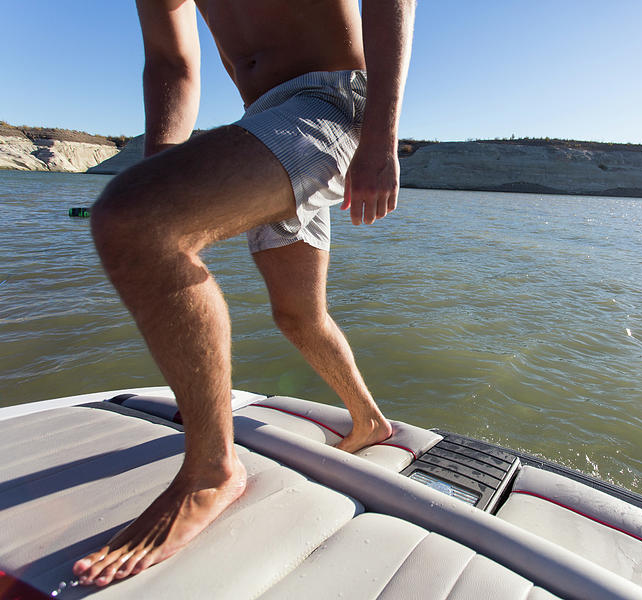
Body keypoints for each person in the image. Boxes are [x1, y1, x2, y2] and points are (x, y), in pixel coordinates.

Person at [72, 0, 415, 587]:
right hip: (264, 121)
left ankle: (211, 470)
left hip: (330, 102)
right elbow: (170, 61)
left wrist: (382, 136)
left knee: (132, 220)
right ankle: (370, 422)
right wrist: (161, 172)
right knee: (298, 315)